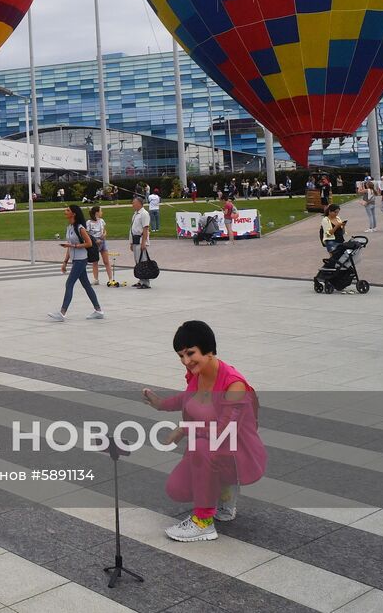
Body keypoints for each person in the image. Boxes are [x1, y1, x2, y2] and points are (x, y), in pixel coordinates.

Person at [142, 320, 266, 543]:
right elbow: (190, 399)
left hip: (235, 450)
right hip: (209, 446)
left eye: (190, 353)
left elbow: (224, 431)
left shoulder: (233, 384)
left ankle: (203, 523)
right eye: (181, 356)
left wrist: (183, 429)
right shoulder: (197, 374)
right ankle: (224, 496)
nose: (186, 361)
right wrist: (161, 404)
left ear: (209, 350)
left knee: (201, 446)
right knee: (176, 490)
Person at [50, 205, 103, 321]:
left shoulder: (80, 228)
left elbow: (89, 243)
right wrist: (65, 262)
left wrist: (73, 245)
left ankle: (62, 312)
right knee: (86, 285)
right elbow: (69, 247)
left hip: (81, 260)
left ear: (73, 214)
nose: (65, 211)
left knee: (69, 284)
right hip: (75, 260)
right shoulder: (69, 227)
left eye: (68, 210)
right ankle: (98, 310)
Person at [85, 205, 117, 288]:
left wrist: (104, 234)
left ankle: (110, 279)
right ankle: (96, 279)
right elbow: (87, 234)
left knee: (106, 261)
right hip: (94, 242)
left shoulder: (101, 221)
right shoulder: (89, 223)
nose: (102, 212)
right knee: (95, 261)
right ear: (96, 213)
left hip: (102, 242)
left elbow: (104, 230)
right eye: (101, 211)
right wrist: (95, 240)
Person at [130, 196, 152, 289]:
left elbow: (145, 228)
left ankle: (146, 282)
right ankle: (141, 279)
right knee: (137, 261)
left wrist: (144, 242)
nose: (132, 205)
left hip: (140, 240)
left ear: (139, 203)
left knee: (143, 261)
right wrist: (131, 243)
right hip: (135, 240)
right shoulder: (135, 214)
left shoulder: (144, 214)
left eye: (134, 203)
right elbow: (132, 228)